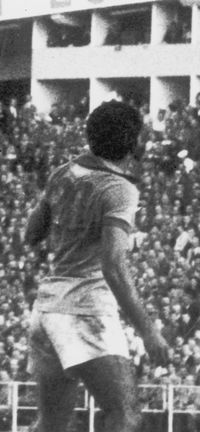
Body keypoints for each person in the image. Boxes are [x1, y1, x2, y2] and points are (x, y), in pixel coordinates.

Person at [23, 100, 170, 432]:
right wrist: (148, 331)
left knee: (52, 424)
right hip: (84, 309)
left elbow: (31, 234)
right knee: (124, 414)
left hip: (46, 311)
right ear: (131, 142)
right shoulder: (120, 189)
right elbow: (114, 266)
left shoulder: (62, 173)